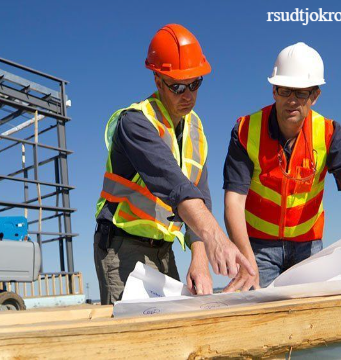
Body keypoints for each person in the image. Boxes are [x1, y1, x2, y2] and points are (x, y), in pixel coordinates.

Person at [222, 42, 341, 291]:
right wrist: (245, 260)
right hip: (257, 248)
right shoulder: (244, 130)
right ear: (274, 90)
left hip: (308, 247)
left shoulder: (329, 134)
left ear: (315, 96)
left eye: (301, 93)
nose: (292, 101)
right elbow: (234, 201)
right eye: (285, 90)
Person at [94, 24, 253, 305]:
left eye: (195, 84)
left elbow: (200, 196)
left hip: (163, 250)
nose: (188, 94)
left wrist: (200, 258)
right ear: (158, 81)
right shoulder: (135, 123)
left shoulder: (196, 129)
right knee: (134, 342)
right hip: (122, 246)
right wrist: (216, 236)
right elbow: (176, 186)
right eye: (178, 86)